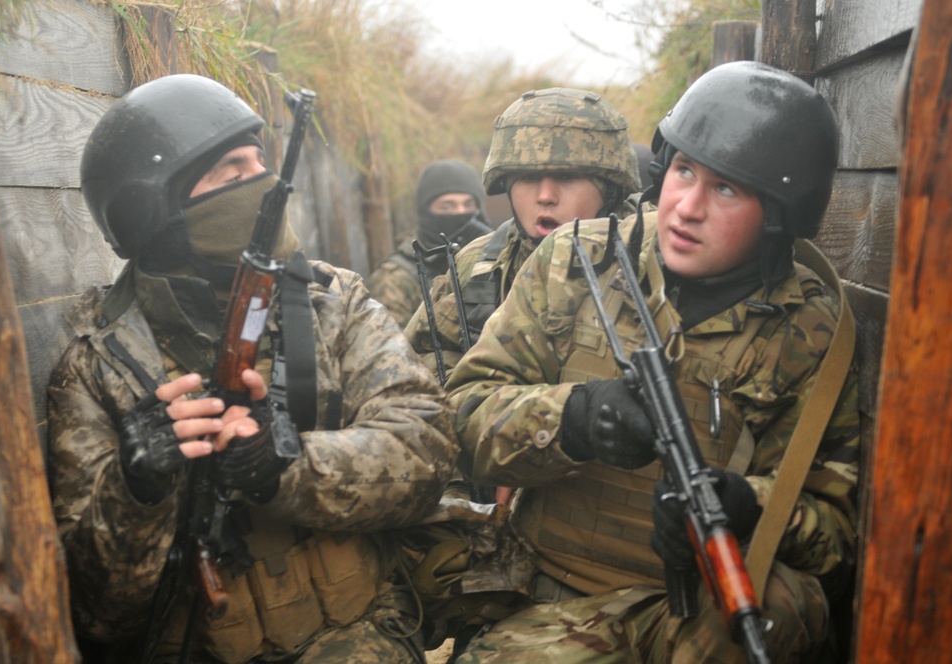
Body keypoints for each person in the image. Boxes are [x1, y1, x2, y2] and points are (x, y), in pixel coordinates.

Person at [445, 61, 860, 662]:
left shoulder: (811, 330)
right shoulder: (573, 261)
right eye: (684, 171)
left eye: (725, 188)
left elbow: (837, 538)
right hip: (552, 599)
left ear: (778, 215)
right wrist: (574, 418)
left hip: (711, 611)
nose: (686, 207)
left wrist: (748, 505)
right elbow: (461, 417)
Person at [47, 74, 457, 664]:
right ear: (152, 208)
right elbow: (100, 611)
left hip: (358, 632)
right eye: (231, 172)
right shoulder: (95, 366)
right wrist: (136, 490)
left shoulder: (332, 300)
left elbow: (429, 447)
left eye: (259, 161)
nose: (262, 184)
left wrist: (282, 466)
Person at [404, 87, 641, 382]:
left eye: (567, 177)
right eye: (528, 178)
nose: (545, 196)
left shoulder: (651, 258)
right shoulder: (478, 265)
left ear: (610, 188)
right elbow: (409, 372)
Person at [366, 160, 491, 328]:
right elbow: (390, 347)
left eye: (469, 205)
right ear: (427, 211)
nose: (461, 214)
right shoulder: (395, 279)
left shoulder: (494, 258)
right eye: (447, 207)